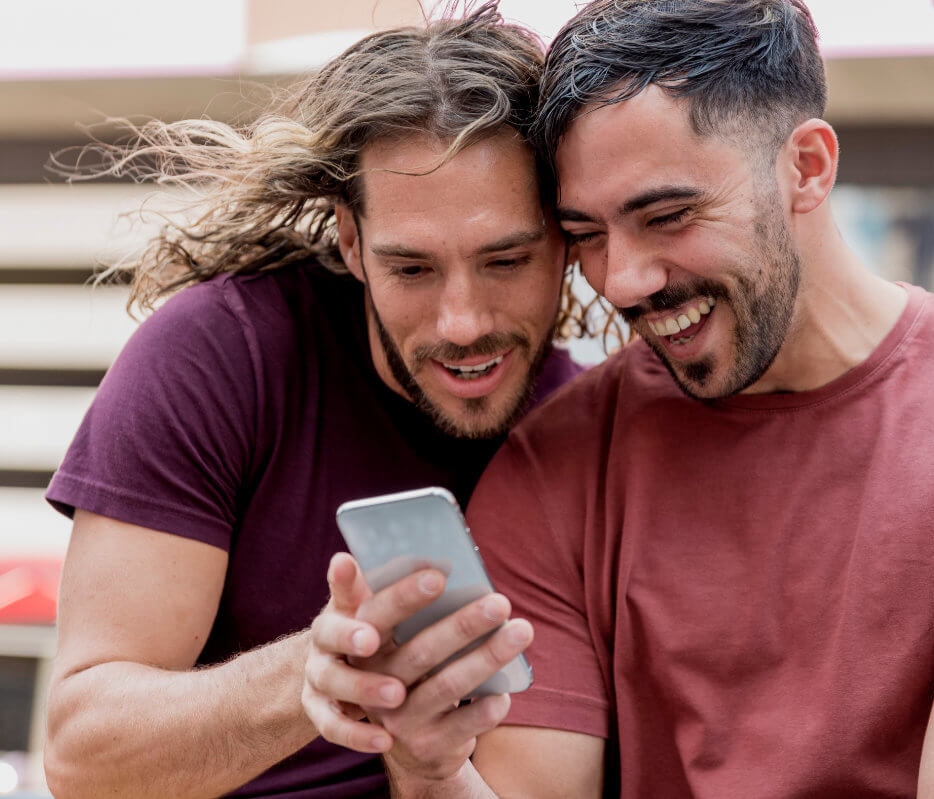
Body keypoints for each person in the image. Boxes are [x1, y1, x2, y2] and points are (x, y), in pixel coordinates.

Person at [305, 1, 934, 796]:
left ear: (806, 168)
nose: (624, 279)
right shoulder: (555, 459)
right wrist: (428, 763)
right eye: (589, 235)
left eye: (667, 214)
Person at [42, 5, 586, 798]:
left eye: (506, 260)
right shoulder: (220, 354)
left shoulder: (588, 433)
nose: (462, 321)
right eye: (412, 269)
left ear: (566, 239)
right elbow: (82, 754)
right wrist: (318, 672)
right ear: (352, 240)